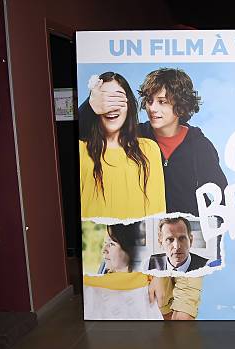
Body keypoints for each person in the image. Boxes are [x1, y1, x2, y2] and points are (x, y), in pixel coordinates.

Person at [79, 68, 227, 216]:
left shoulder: (199, 146)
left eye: (162, 102)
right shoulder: (135, 135)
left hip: (188, 230)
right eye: (149, 101)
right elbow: (84, 136)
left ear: (181, 106)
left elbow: (221, 197)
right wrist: (91, 106)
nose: (153, 108)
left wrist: (209, 231)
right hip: (148, 229)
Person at [79, 72, 165, 219]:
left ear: (129, 105)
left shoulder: (149, 149)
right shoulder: (81, 150)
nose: (111, 107)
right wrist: (88, 105)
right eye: (105, 100)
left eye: (118, 99)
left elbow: (157, 214)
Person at [83, 223, 163, 320]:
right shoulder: (150, 278)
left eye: (111, 244)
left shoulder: (149, 279)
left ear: (128, 249)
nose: (104, 250)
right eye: (105, 244)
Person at [145, 217, 207, 320]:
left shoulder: (206, 267)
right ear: (160, 241)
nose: (177, 246)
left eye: (182, 238)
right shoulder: (148, 265)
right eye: (170, 239)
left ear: (190, 240)